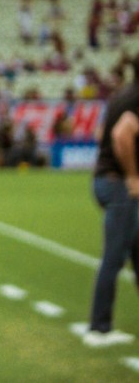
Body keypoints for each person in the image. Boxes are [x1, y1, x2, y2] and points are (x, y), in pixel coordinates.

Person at [84, 54, 139, 348]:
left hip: (105, 179)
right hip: (118, 184)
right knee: (114, 256)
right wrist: (132, 175)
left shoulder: (123, 95)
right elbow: (121, 134)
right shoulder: (137, 98)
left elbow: (100, 132)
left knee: (137, 251)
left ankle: (100, 324)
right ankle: (99, 327)